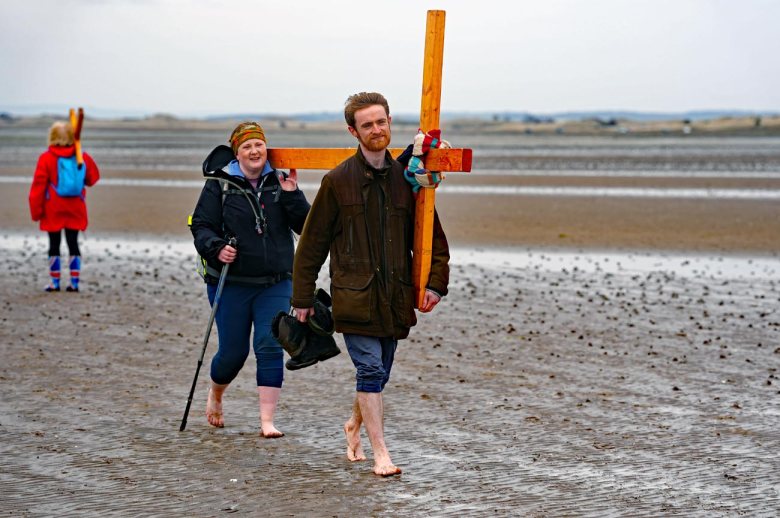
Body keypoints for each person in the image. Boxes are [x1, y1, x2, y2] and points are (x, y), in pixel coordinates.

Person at [291, 92, 450, 476]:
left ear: (390, 123)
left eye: (381, 122)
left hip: (394, 297)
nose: (376, 130)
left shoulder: (407, 178)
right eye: (367, 125)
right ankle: (382, 454)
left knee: (381, 373)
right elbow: (311, 245)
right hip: (354, 298)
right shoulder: (337, 181)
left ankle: (354, 425)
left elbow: (433, 238)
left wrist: (435, 284)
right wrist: (302, 298)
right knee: (370, 372)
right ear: (353, 131)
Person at [190, 122, 310, 437]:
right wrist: (217, 249)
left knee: (270, 344)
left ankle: (267, 422)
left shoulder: (280, 181)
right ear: (237, 153)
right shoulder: (220, 184)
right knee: (233, 353)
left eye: (259, 144)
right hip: (230, 282)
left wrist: (293, 196)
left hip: (276, 281)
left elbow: (306, 227)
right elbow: (201, 225)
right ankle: (216, 393)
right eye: (247, 147)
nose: (254, 151)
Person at [28, 121, 100, 292]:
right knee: (73, 243)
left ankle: (54, 282)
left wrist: (36, 212)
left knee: (54, 244)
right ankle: (74, 282)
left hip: (53, 208)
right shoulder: (81, 156)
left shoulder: (46, 158)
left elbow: (37, 188)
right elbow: (93, 179)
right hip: (75, 207)